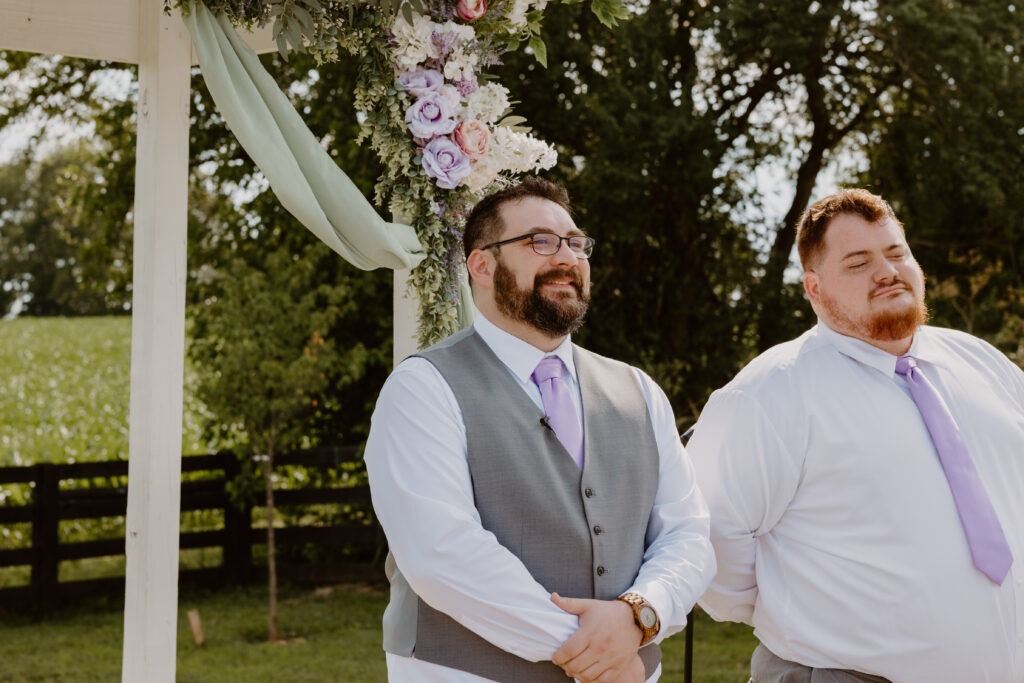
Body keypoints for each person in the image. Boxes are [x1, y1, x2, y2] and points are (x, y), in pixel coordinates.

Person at [364, 176, 715, 683]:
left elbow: (687, 533)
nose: (567, 257)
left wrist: (642, 614)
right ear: (481, 265)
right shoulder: (422, 389)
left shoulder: (637, 390)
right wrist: (594, 653)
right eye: (540, 242)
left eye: (576, 243)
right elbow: (441, 553)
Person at [687, 188, 1024, 683]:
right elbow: (709, 543)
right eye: (858, 262)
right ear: (814, 289)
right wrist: (799, 609)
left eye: (895, 253)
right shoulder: (769, 394)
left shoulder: (982, 362)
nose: (886, 271)